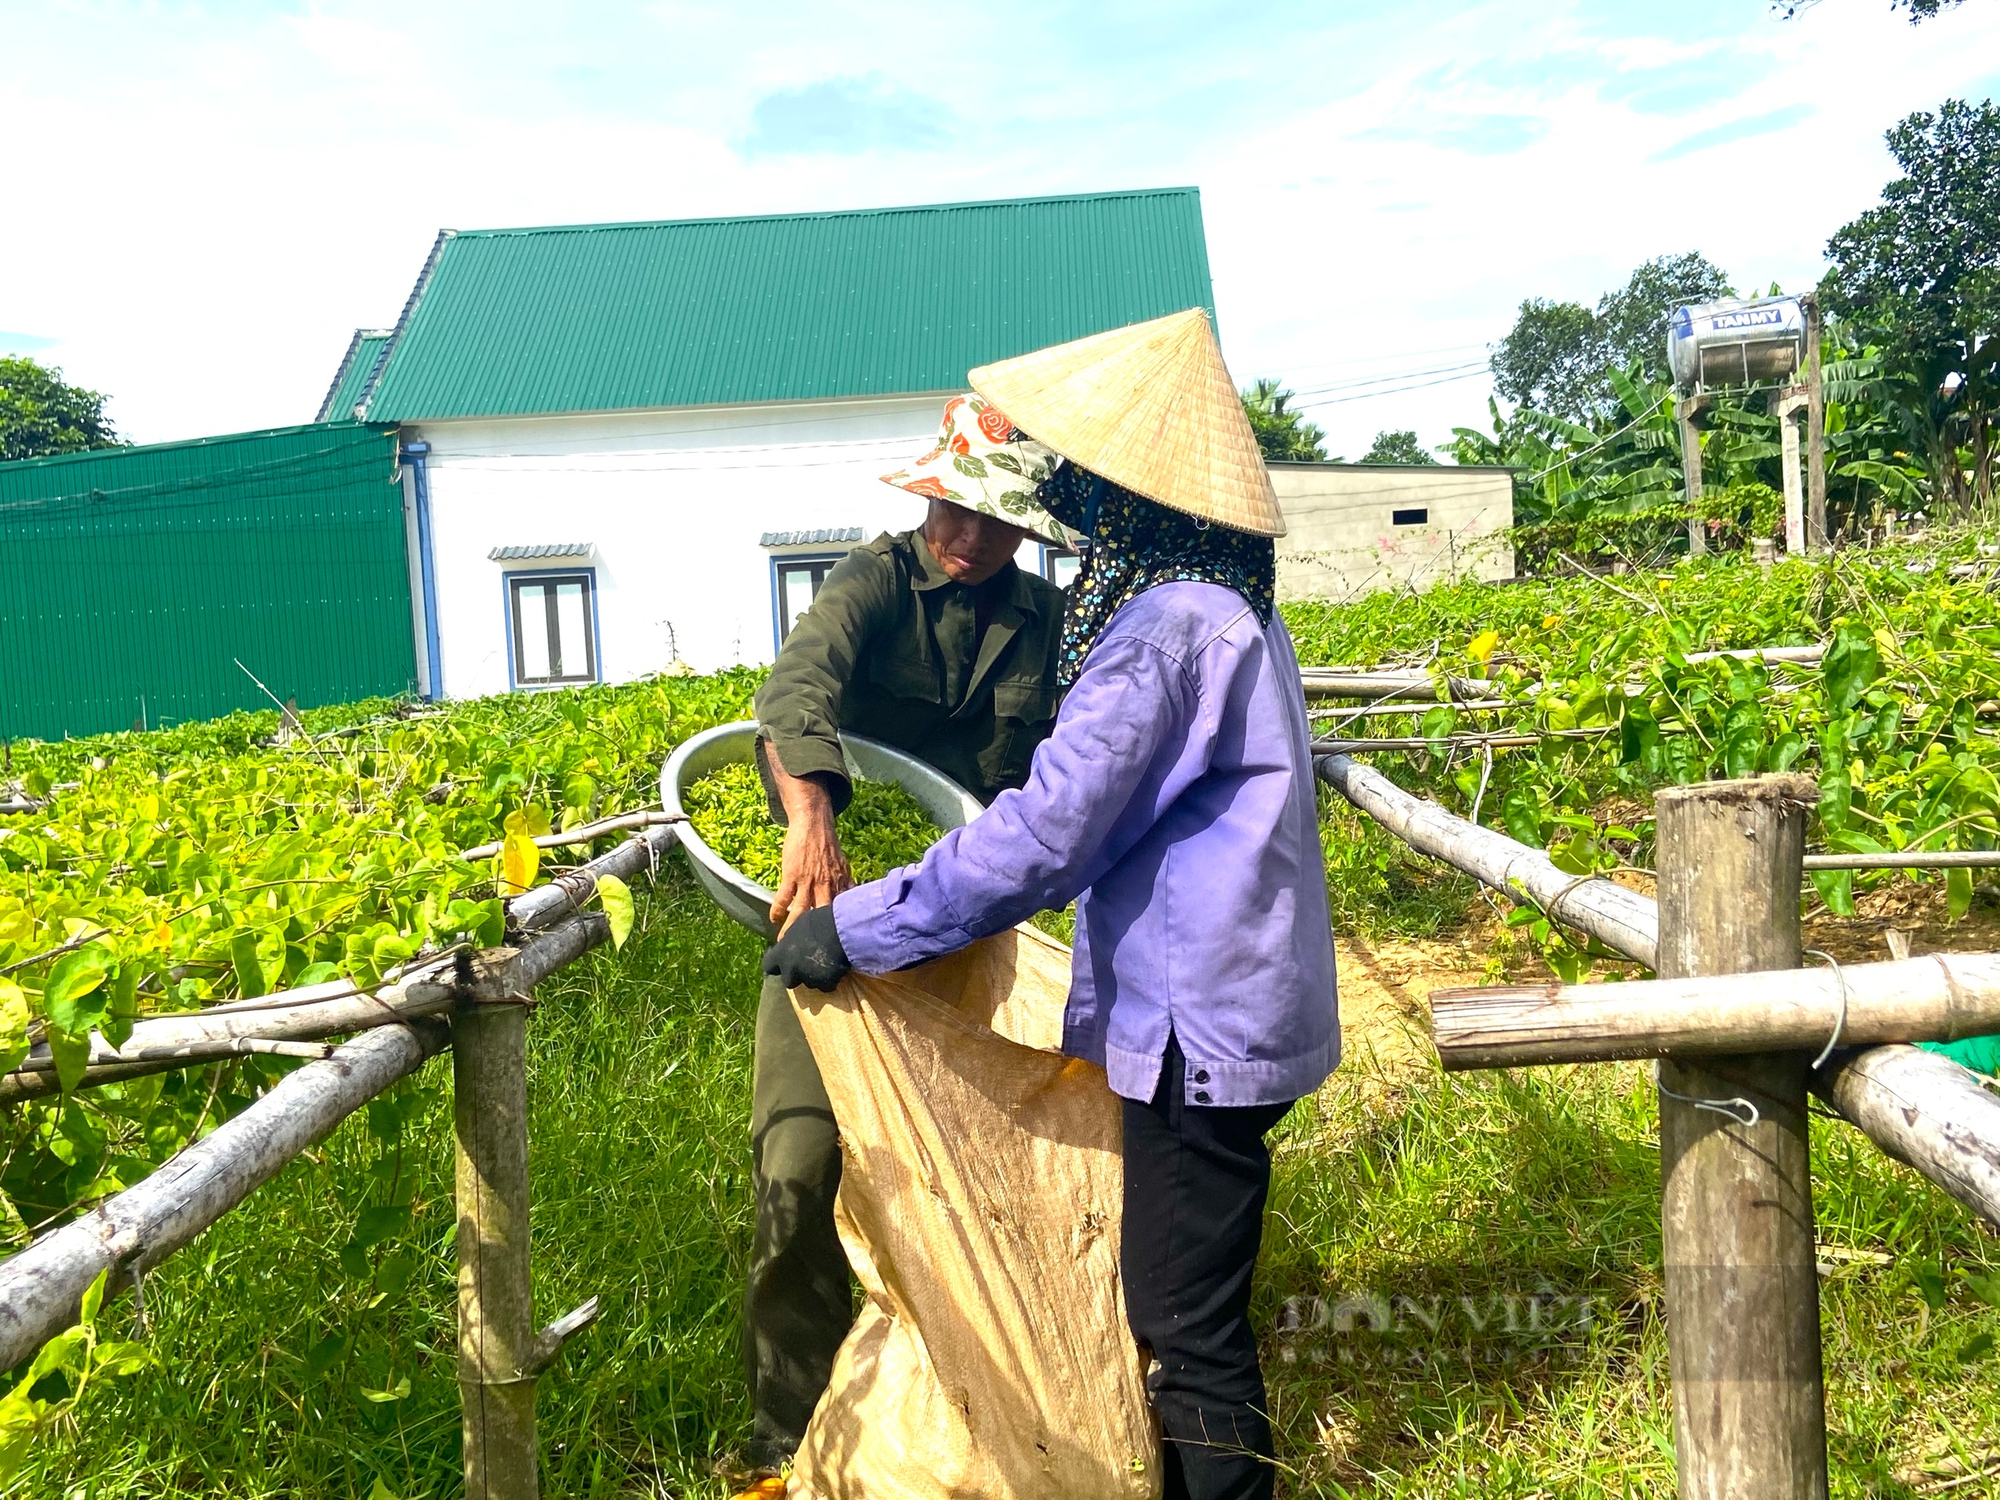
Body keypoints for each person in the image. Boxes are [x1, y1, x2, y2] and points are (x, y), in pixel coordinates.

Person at [765, 308, 1340, 1500]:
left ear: (1128, 498)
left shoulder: (1161, 632)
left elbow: (1047, 832)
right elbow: (803, 692)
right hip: (1239, 995)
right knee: (1181, 1304)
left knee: (1186, 1332)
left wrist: (857, 926)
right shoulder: (1232, 606)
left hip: (1198, 1019)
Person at [740, 393, 1071, 1478]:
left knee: (957, 1179)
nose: (963, 538)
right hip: (834, 918)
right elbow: (792, 693)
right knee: (802, 1159)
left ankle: (960, 1424)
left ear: (1024, 527)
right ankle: (789, 1433)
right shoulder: (873, 580)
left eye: (988, 519)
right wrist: (813, 817)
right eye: (948, 510)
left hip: (966, 924)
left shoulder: (1042, 623)